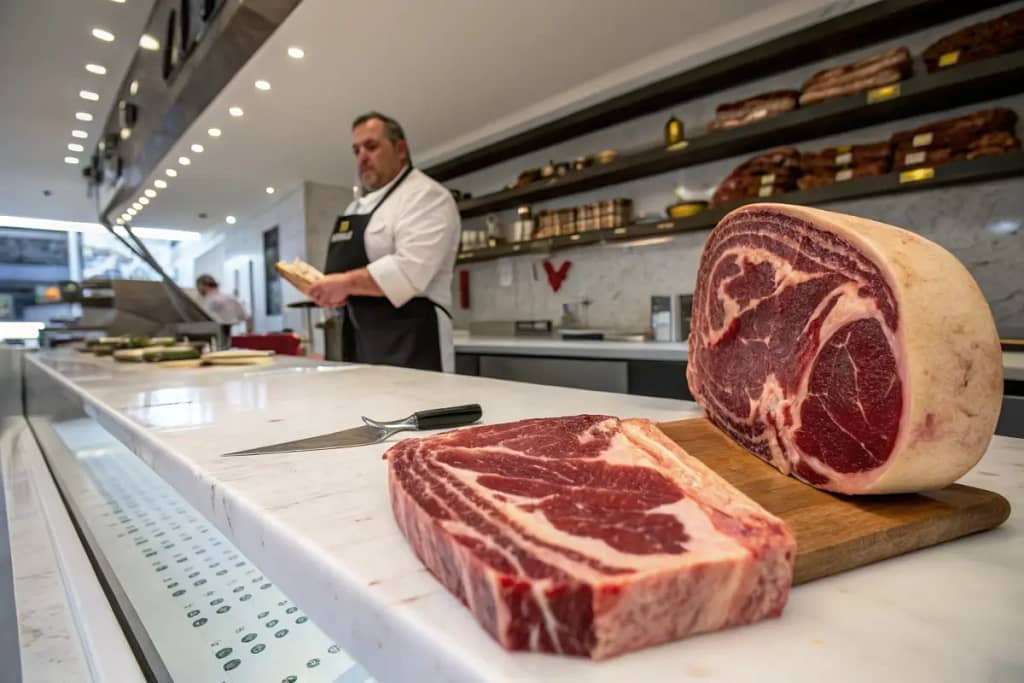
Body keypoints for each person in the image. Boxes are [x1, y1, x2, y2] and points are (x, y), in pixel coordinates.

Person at [308, 112, 461, 372]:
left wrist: (344, 284)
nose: (362, 158)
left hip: (413, 339)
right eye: (356, 150)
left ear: (400, 149)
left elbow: (409, 273)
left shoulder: (428, 196)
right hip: (361, 340)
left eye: (371, 146)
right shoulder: (355, 207)